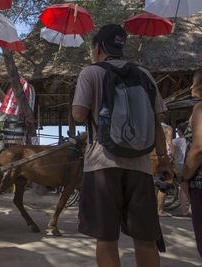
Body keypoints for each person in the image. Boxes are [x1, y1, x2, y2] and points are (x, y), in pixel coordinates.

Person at [72, 24, 173, 267]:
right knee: (145, 238)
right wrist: (164, 159)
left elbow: (78, 114)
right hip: (139, 165)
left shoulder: (91, 72)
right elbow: (157, 122)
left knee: (106, 238)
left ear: (97, 47)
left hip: (102, 164)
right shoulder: (144, 74)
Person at [182, 70, 202, 257]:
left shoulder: (200, 109)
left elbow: (199, 147)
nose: (190, 87)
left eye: (194, 83)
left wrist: (185, 178)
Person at [172, 122, 192, 217]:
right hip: (190, 165)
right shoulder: (191, 140)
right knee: (189, 187)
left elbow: (168, 145)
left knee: (182, 188)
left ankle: (184, 211)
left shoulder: (176, 141)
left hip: (179, 166)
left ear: (179, 131)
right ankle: (191, 209)